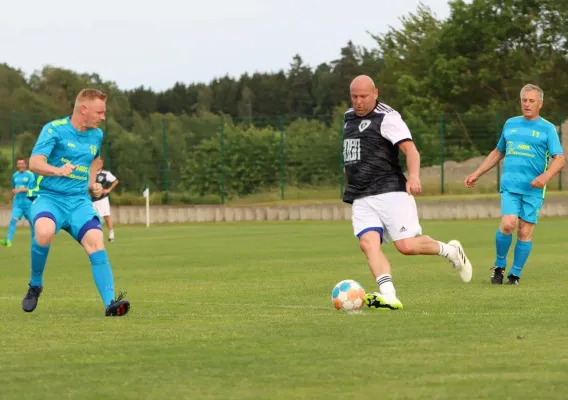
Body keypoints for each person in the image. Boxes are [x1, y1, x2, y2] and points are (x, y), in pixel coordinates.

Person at [343, 75, 473, 311]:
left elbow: (410, 150)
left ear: (376, 93)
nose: (359, 102)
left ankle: (451, 251)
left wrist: (413, 177)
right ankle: (389, 296)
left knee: (405, 246)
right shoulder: (348, 118)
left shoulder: (388, 117)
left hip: (390, 190)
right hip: (361, 195)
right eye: (354, 97)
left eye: (363, 96)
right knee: (368, 243)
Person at [23, 88, 130, 317]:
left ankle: (111, 304)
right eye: (100, 112)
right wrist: (57, 170)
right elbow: (35, 162)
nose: (103, 117)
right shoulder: (54, 130)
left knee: (96, 242)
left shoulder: (96, 135)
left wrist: (92, 185)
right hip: (50, 198)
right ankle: (35, 284)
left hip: (79, 202)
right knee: (44, 232)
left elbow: (93, 161)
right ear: (84, 109)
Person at [464, 84, 564, 285]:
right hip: (510, 186)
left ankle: (515, 274)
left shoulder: (547, 129)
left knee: (525, 231)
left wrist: (545, 177)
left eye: (531, 101)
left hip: (533, 189)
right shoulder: (510, 124)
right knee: (509, 224)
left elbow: (560, 159)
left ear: (540, 104)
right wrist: (477, 173)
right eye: (524, 100)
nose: (527, 104)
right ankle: (499, 266)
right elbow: (498, 152)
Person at [0, 158, 35, 247]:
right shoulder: (15, 175)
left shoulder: (30, 175)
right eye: (19, 164)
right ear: (17, 165)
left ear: (25, 165)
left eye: (22, 163)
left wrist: (20, 190)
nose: (20, 165)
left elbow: (31, 188)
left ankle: (35, 242)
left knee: (32, 223)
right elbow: (13, 188)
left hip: (28, 203)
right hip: (18, 204)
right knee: (13, 220)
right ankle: (8, 241)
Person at [91, 158, 119, 242]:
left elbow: (116, 181)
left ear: (102, 164)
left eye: (99, 163)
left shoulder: (105, 174)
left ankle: (111, 234)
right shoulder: (90, 174)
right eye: (96, 163)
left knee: (106, 216)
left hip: (102, 199)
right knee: (93, 218)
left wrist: (109, 189)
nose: (97, 165)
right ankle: (96, 235)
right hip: (92, 200)